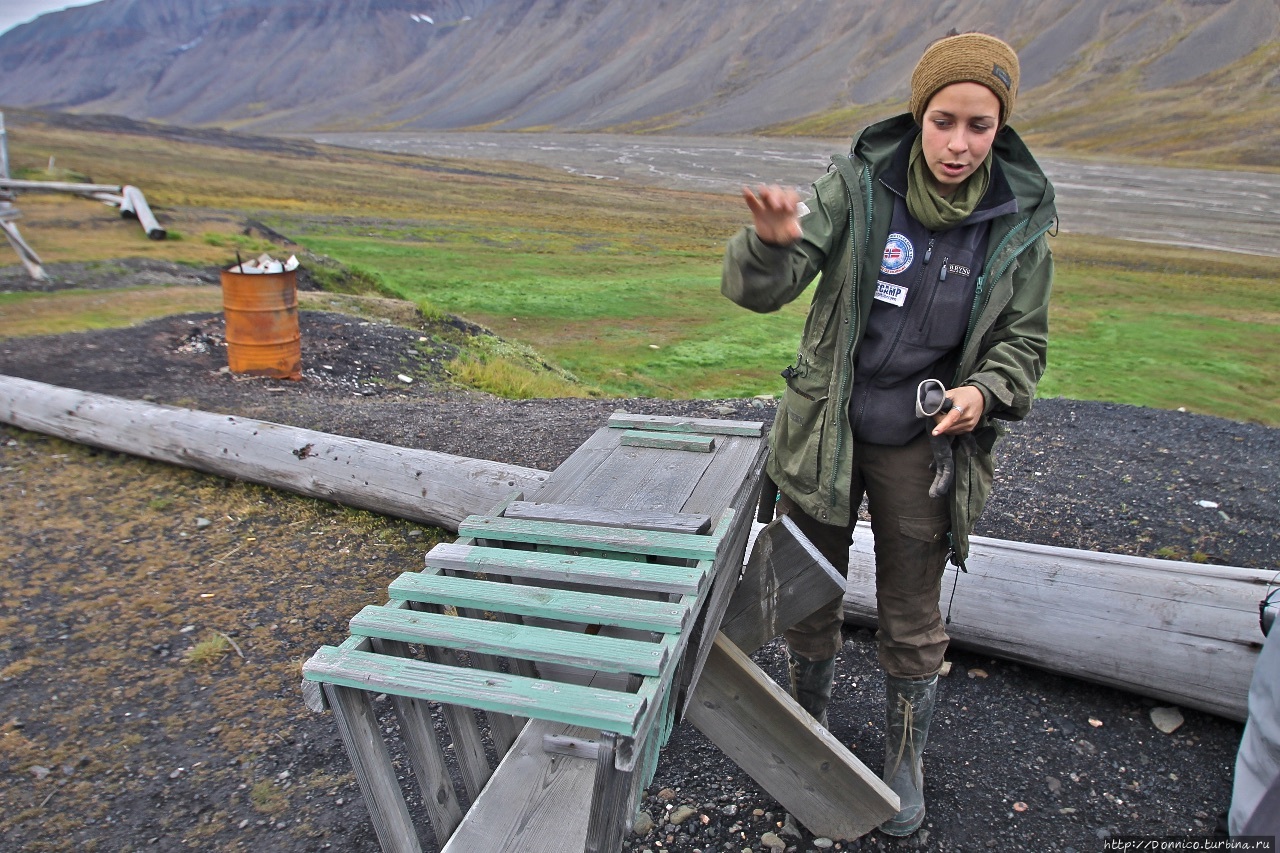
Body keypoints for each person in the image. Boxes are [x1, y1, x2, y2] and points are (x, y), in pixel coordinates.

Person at [721, 31, 1055, 837]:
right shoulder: (860, 183)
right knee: (806, 584)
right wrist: (770, 245)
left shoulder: (1017, 220)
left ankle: (904, 757)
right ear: (920, 112)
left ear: (1000, 128)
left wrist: (985, 390)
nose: (959, 143)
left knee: (913, 612)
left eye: (980, 126)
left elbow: (1025, 341)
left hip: (923, 443)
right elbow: (772, 282)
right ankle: (810, 724)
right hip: (826, 429)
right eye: (945, 119)